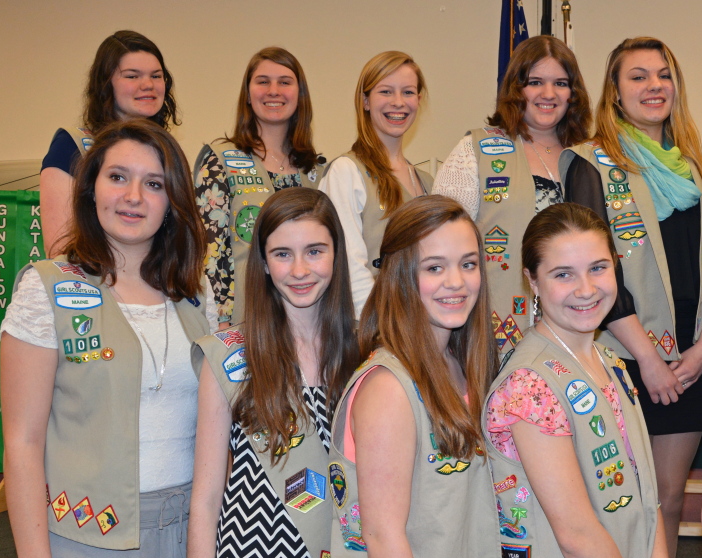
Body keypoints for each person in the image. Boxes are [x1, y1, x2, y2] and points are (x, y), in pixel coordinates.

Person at [2, 119, 216, 558]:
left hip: (190, 541)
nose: (134, 196)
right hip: (87, 544)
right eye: (117, 177)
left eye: (154, 183)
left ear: (172, 202)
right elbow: (22, 442)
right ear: (91, 186)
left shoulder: (195, 293)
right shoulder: (47, 289)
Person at [561, 37, 702, 558]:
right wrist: (650, 361)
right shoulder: (591, 165)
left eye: (663, 75)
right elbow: (595, 270)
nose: (653, 86)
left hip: (689, 362)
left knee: (668, 498)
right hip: (621, 358)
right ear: (613, 92)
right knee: (616, 502)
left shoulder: (698, 170)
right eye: (637, 76)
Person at [486, 202, 669, 558]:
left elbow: (646, 490)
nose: (586, 289)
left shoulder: (612, 363)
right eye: (563, 274)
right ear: (532, 280)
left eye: (598, 268)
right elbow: (575, 533)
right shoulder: (529, 384)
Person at [325, 195, 502, 558]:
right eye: (434, 267)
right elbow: (383, 538)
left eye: (469, 263)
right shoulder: (389, 387)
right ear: (402, 276)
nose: (457, 282)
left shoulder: (461, 367)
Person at [188, 188, 359, 558]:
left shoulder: (366, 354)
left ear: (337, 256)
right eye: (282, 253)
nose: (300, 270)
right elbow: (206, 499)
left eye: (315, 251)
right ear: (263, 263)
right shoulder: (229, 358)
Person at [434, 34, 592, 354]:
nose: (549, 94)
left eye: (560, 83)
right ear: (516, 88)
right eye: (535, 82)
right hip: (489, 338)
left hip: (572, 334)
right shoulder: (477, 148)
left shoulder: (589, 159)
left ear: (572, 94)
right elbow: (437, 242)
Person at [195, 47, 326, 328]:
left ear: (299, 95)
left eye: (285, 82)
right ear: (248, 93)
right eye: (263, 81)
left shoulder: (316, 171)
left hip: (311, 321)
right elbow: (211, 250)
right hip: (245, 320)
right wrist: (222, 318)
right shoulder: (220, 159)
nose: (273, 90)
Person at [41, 30, 179, 257]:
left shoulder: (167, 151)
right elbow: (60, 248)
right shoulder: (71, 147)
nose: (148, 85)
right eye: (132, 76)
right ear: (106, 84)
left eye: (156, 76)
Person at [319, 51, 432, 316]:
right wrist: (376, 328)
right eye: (385, 92)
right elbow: (348, 266)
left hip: (420, 329)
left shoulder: (426, 182)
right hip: (373, 331)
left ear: (419, 99)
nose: (398, 102)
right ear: (366, 101)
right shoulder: (346, 171)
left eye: (407, 92)